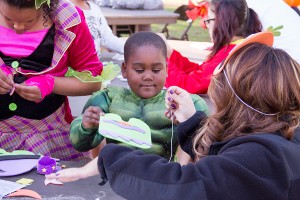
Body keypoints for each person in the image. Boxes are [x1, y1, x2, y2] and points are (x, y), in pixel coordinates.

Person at [46, 32, 300, 199]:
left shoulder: (260, 157)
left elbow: (182, 186)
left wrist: (109, 159)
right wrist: (191, 123)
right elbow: (224, 161)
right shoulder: (284, 138)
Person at [69, 31, 209, 162]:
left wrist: (189, 122)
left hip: (164, 178)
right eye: (139, 70)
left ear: (166, 69)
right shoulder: (107, 99)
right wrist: (86, 126)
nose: (148, 76)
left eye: (156, 70)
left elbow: (208, 148)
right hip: (116, 176)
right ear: (125, 69)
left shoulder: (185, 104)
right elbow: (78, 143)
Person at [0, 0, 103, 161]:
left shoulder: (67, 20)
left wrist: (50, 83)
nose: (18, 27)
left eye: (29, 21)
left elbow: (94, 82)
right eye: (8, 19)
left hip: (48, 137)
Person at [163, 0, 262, 94]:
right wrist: (169, 53)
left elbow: (189, 86)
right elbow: (199, 72)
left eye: (209, 20)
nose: (206, 26)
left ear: (222, 22)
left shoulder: (229, 55)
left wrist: (161, 63)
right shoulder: (240, 47)